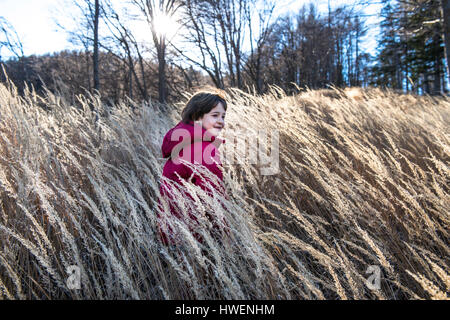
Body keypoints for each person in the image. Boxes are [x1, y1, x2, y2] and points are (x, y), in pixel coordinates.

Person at [157, 91, 230, 246]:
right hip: (198, 237)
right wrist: (224, 235)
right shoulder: (203, 149)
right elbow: (214, 199)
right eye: (215, 115)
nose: (221, 121)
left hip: (172, 233)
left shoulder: (179, 145)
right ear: (197, 116)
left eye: (223, 116)